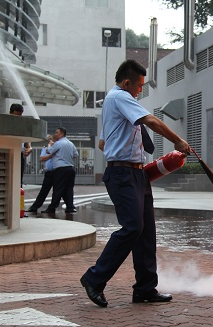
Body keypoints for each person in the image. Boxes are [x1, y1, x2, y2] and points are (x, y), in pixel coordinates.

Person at [80, 59, 191, 308]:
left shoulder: (114, 103)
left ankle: (145, 288)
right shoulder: (119, 97)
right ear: (127, 82)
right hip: (123, 174)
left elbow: (102, 143)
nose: (140, 91)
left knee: (146, 232)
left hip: (136, 173)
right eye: (139, 86)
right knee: (132, 228)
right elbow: (151, 121)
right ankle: (94, 278)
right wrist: (178, 141)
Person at [40, 127, 78, 214]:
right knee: (69, 189)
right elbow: (75, 155)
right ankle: (70, 207)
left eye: (57, 132)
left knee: (58, 189)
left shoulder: (58, 143)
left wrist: (50, 144)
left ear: (62, 134)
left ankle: (52, 208)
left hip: (61, 169)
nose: (55, 134)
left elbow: (49, 151)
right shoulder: (71, 143)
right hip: (70, 168)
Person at [25, 135, 55, 213]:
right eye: (50, 140)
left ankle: (53, 208)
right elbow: (41, 159)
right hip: (49, 172)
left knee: (57, 191)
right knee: (44, 190)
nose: (51, 142)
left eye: (52, 140)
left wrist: (49, 155)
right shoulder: (45, 148)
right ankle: (35, 207)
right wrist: (51, 155)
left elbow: (47, 157)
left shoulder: (57, 148)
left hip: (57, 171)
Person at [9, 103, 32, 184]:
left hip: (19, 155)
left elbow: (27, 144)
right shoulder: (5, 124)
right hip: (7, 153)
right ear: (10, 113)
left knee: (18, 180)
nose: (18, 118)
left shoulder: (23, 126)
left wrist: (29, 149)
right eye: (16, 116)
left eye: (20, 116)